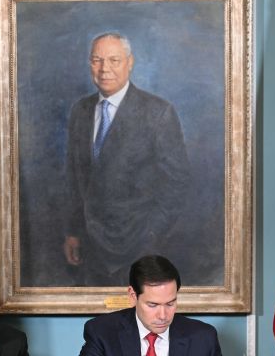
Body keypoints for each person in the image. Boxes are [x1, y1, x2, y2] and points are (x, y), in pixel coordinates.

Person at [63, 32, 189, 286]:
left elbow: (177, 183)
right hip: (90, 247)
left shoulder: (157, 112)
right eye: (97, 60)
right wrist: (73, 232)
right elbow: (74, 179)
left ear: (129, 63)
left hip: (139, 248)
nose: (104, 69)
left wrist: (150, 235)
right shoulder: (81, 111)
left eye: (113, 60)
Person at [68, 255, 239, 356]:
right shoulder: (104, 331)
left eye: (170, 304)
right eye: (153, 305)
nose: (163, 315)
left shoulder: (202, 337)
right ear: (133, 296)